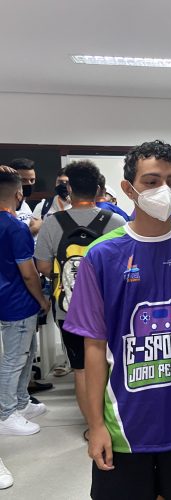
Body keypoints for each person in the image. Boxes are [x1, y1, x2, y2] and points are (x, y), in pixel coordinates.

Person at [63, 140, 171, 500]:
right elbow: (94, 347)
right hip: (124, 425)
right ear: (129, 188)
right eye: (152, 181)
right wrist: (96, 425)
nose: (164, 191)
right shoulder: (101, 256)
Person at [35, 160, 125, 428]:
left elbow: (42, 266)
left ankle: (93, 426)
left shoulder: (53, 223)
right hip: (110, 308)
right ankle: (112, 422)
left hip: (69, 309)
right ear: (99, 189)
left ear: (69, 189)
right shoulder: (116, 222)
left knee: (82, 369)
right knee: (111, 364)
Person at [0, 168, 50, 436]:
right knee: (14, 359)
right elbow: (29, 273)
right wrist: (42, 299)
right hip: (18, 301)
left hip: (8, 298)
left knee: (27, 352)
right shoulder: (15, 227)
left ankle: (21, 402)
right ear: (19, 195)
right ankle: (6, 414)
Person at [8, 158, 42, 236]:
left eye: (32, 180)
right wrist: (34, 229)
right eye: (23, 180)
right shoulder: (4, 207)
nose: (29, 183)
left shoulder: (24, 205)